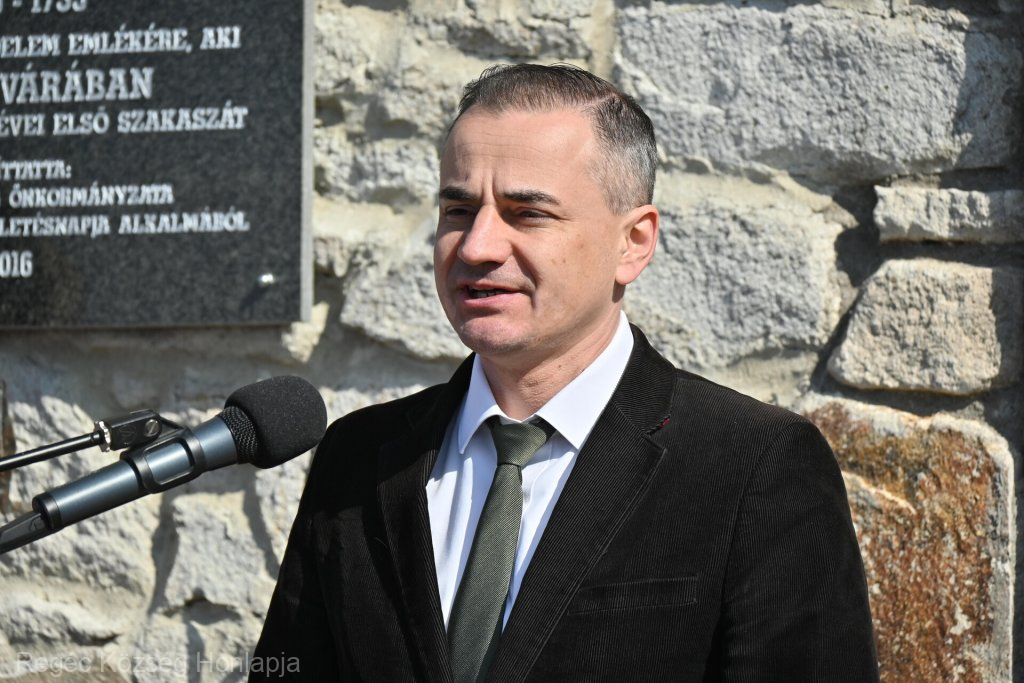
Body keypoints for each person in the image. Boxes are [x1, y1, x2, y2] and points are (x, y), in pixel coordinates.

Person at [251, 64, 879, 682]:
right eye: (458, 209)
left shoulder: (753, 465)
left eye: (528, 213)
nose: (476, 246)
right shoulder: (360, 456)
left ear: (633, 242)